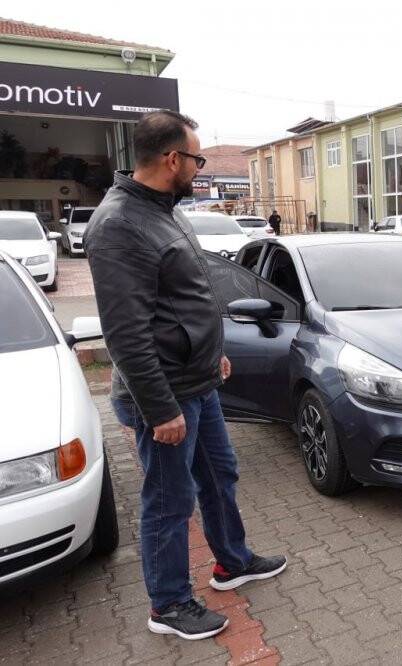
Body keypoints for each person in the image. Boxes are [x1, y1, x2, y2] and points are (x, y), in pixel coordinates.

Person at [85, 111, 286, 641]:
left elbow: (185, 300)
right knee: (170, 500)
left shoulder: (164, 210)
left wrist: (211, 354)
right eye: (197, 157)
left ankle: (233, 562)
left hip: (198, 381)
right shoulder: (120, 224)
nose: (199, 167)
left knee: (220, 477)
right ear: (173, 158)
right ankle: (169, 604)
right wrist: (160, 409)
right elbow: (126, 334)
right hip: (166, 395)